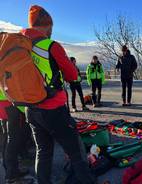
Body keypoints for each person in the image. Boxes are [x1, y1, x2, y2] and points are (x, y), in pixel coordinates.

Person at [21, 5, 96, 184]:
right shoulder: (51, 46)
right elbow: (72, 75)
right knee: (75, 152)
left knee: (43, 151)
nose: (51, 30)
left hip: (29, 108)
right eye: (51, 27)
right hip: (53, 108)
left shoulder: (19, 45)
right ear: (47, 25)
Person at [0, 90, 30, 183]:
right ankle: (11, 175)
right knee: (12, 141)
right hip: (9, 105)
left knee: (7, 139)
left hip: (5, 105)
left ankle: (12, 171)